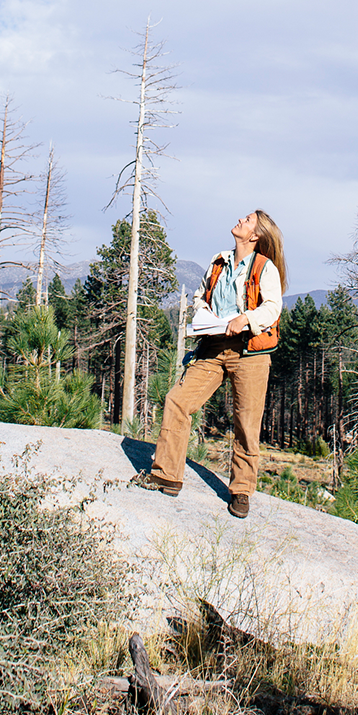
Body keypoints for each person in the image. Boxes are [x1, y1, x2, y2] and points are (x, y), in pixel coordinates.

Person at [133, 209, 285, 518]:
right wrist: (203, 314)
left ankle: (241, 491)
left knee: (246, 422)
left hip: (250, 351)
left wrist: (246, 319)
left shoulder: (264, 268)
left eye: (248, 220)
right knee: (177, 400)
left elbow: (273, 307)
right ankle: (166, 475)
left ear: (255, 235)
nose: (240, 220)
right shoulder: (218, 262)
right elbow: (203, 297)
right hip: (213, 346)